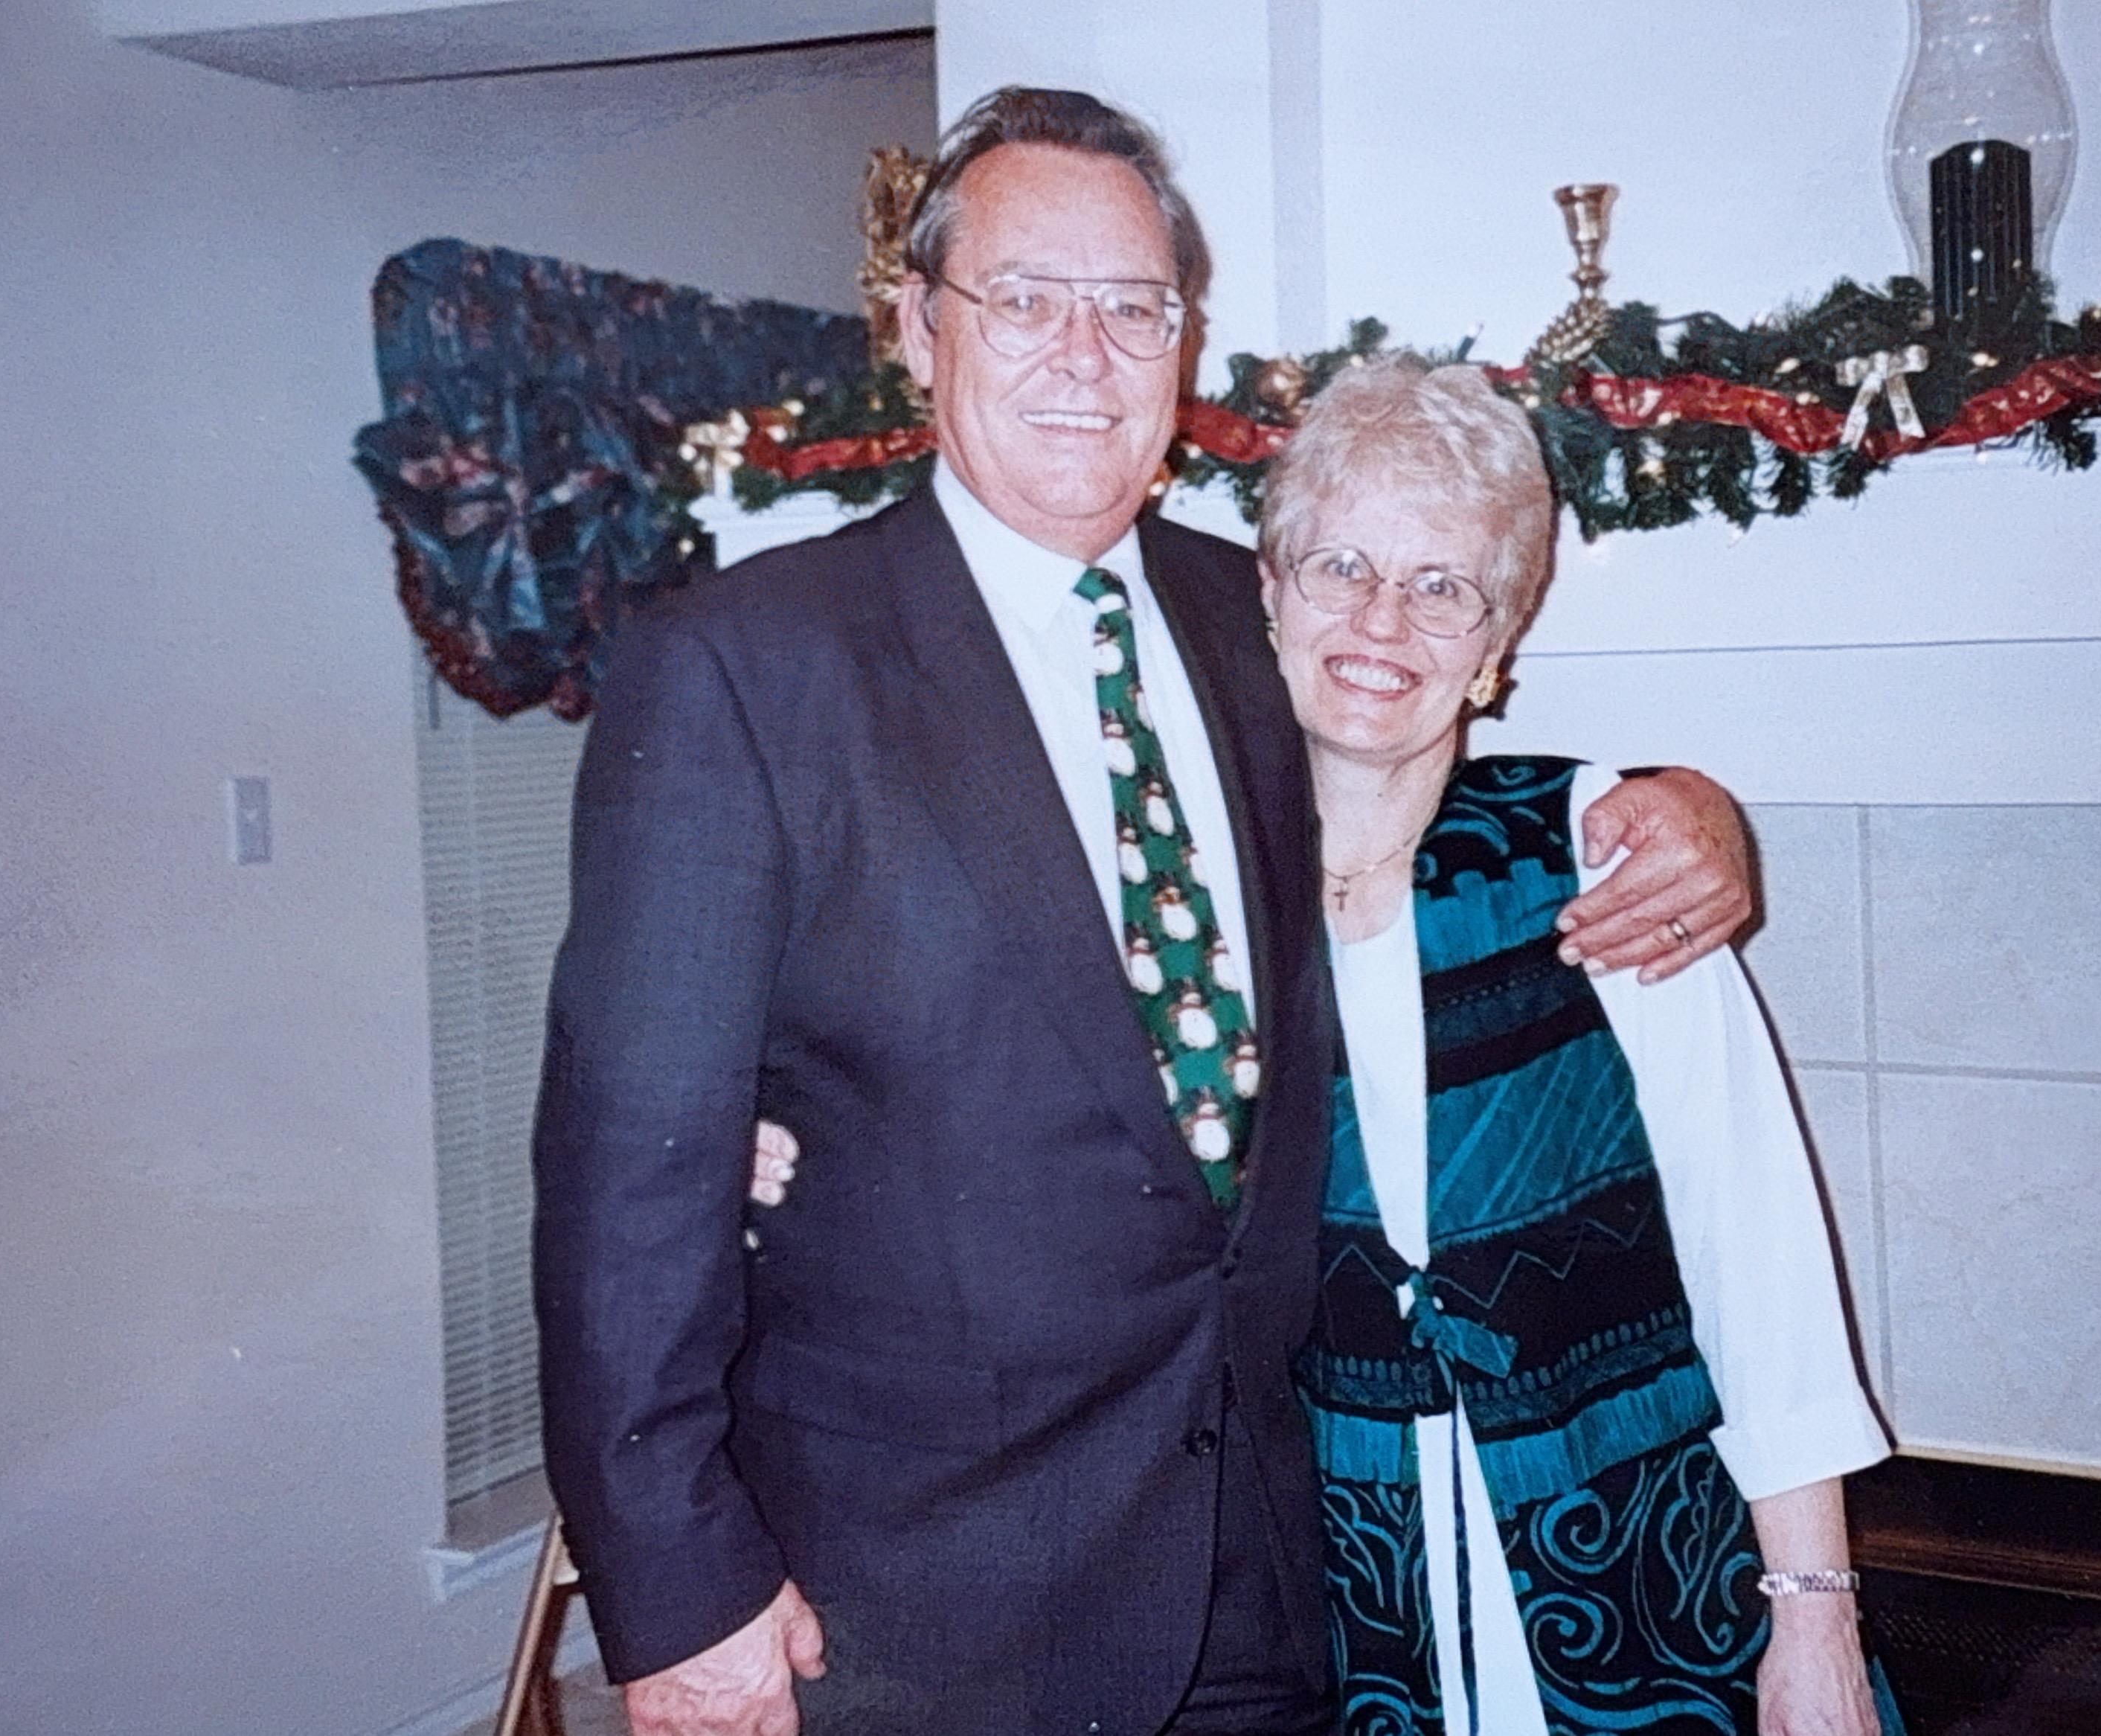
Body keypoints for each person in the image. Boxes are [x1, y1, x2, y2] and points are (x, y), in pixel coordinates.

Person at [530, 88, 1755, 1736]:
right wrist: (681, 1598)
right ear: (919, 330)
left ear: (1183, 347)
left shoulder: (1252, 614)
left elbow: (1418, 751)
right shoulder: (746, 669)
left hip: (1264, 1571)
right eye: (1024, 300)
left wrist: (1679, 805)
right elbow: (625, 1179)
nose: (1083, 355)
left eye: (1133, 309)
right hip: (911, 1612)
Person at [1266, 357, 1894, 1736]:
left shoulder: (1593, 848)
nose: (1383, 619)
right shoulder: (1206, 901)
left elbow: (1755, 1237)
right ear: (1271, 594)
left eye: (1443, 585)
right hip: (1335, 1594)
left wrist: (1816, 1616)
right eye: (1342, 566)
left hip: (1644, 1566)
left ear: (1497, 644)